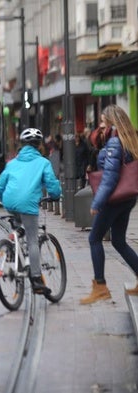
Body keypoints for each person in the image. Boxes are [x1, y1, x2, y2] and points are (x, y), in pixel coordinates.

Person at [0, 128, 62, 295]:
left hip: (10, 202)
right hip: (28, 204)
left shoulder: (12, 163)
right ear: (39, 146)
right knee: (32, 240)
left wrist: (4, 197)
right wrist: (55, 196)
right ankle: (37, 279)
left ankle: (12, 248)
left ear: (22, 145)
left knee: (18, 222)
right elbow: (53, 186)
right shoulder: (43, 162)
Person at [80, 105, 138, 304]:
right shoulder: (128, 140)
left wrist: (97, 202)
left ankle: (100, 286)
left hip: (114, 199)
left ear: (113, 122)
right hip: (127, 197)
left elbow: (110, 178)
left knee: (94, 238)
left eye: (103, 122)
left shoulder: (114, 143)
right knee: (119, 241)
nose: (100, 126)